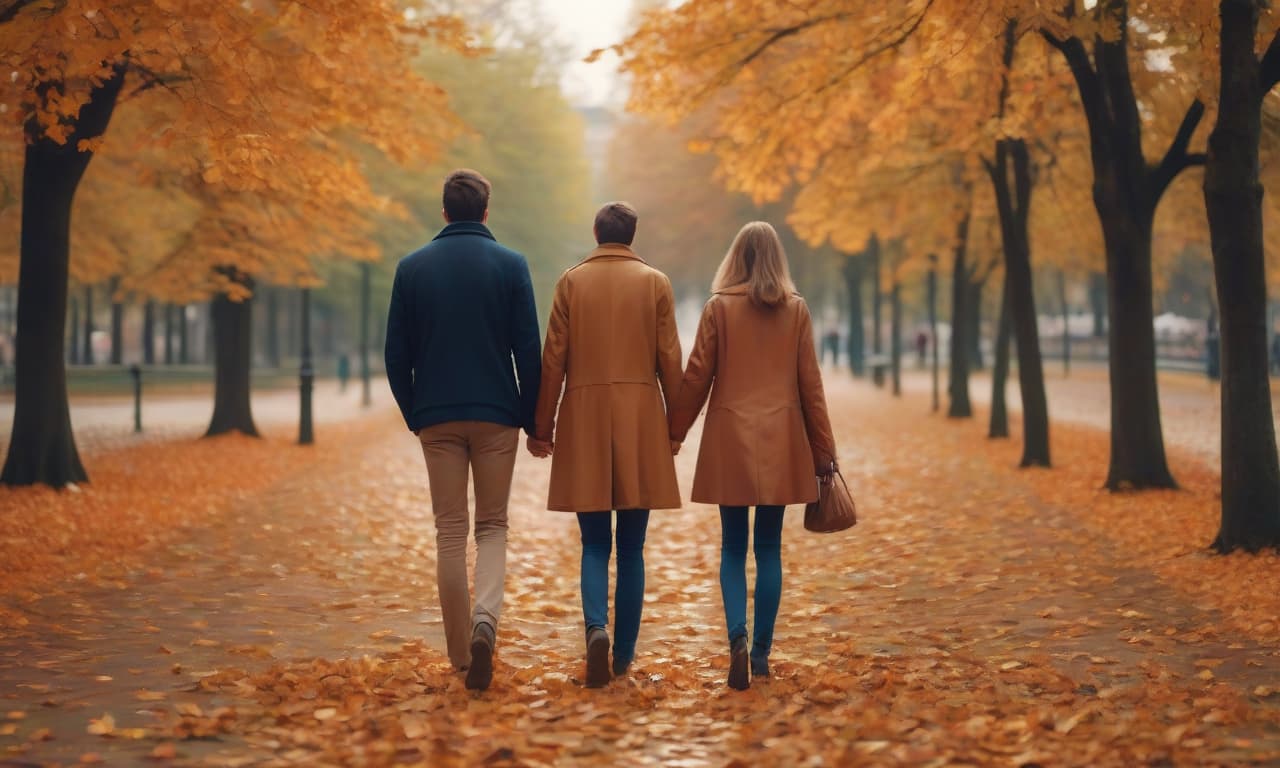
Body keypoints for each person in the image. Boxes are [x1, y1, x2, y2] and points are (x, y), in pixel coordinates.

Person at [383, 169, 541, 691]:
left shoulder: (412, 268)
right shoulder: (512, 265)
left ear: (445, 210)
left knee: (449, 531)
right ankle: (485, 625)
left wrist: (416, 413)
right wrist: (531, 415)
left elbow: (395, 354)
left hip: (438, 416)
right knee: (492, 526)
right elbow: (528, 351)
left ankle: (458, 655)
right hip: (497, 414)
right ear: (486, 211)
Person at [668, 221, 836, 691]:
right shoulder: (797, 311)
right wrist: (823, 450)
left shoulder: (719, 308)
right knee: (769, 549)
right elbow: (811, 388)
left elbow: (698, 375)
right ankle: (761, 653)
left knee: (731, 547)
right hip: (782, 440)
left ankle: (737, 639)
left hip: (730, 439)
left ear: (735, 258)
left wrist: (673, 431)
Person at [529, 202, 682, 688]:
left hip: (585, 416)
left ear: (596, 233)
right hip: (639, 420)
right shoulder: (655, 283)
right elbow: (669, 359)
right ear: (632, 236)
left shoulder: (571, 282)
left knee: (594, 543)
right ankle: (624, 654)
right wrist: (674, 428)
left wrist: (542, 426)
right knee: (632, 547)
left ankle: (596, 627)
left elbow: (553, 358)